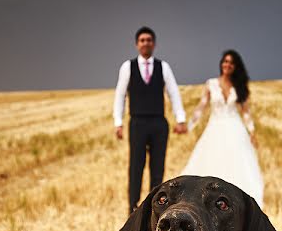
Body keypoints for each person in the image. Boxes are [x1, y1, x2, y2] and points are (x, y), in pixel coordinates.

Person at [113, 26, 188, 213]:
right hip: (137, 122)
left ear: (154, 44)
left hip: (158, 123)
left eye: (149, 40)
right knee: (136, 165)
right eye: (142, 40)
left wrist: (180, 118)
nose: (146, 43)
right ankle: (133, 205)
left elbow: (173, 93)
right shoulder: (127, 67)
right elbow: (120, 95)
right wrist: (118, 122)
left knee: (158, 166)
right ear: (137, 44)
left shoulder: (163, 67)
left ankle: (156, 205)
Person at [182, 50, 264, 207]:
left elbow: (245, 112)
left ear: (235, 67)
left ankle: (234, 198)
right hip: (215, 127)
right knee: (212, 159)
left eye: (231, 63)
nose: (227, 65)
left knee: (236, 161)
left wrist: (251, 131)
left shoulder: (239, 86)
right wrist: (189, 125)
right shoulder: (211, 84)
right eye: (225, 62)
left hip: (235, 127)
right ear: (221, 64)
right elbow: (202, 106)